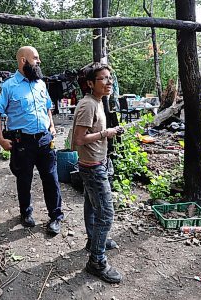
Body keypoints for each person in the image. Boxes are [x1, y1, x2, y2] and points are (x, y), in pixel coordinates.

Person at [0, 46, 64, 235]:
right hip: (22, 142)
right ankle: (26, 213)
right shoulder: (8, 86)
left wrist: (52, 126)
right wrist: (0, 139)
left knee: (51, 178)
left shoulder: (40, 83)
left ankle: (55, 216)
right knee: (24, 179)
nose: (38, 62)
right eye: (36, 58)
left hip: (45, 140)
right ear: (23, 60)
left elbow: (47, 106)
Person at [72, 62, 123, 284]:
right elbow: (78, 140)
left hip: (96, 163)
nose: (109, 82)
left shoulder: (99, 101)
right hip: (92, 167)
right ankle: (97, 261)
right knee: (106, 213)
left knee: (92, 206)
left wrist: (108, 132)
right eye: (103, 78)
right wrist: (106, 133)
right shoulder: (88, 105)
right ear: (91, 84)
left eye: (109, 77)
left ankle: (94, 241)